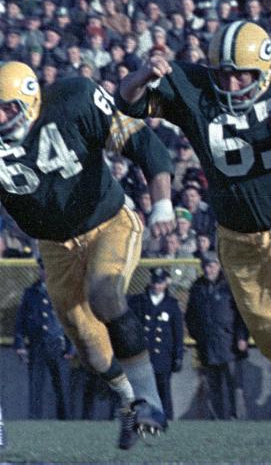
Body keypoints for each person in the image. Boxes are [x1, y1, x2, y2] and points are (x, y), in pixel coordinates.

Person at [119, 21, 271, 462]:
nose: (231, 83)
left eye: (242, 74)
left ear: (266, 70)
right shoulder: (196, 88)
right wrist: (142, 74)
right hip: (243, 249)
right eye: (223, 73)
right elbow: (130, 102)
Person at [0, 62, 174, 448]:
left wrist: (162, 204)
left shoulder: (73, 99)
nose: (0, 116)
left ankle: (151, 400)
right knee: (92, 351)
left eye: (7, 107)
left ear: (29, 100)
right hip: (54, 247)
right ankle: (129, 402)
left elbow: (143, 144)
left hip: (108, 221)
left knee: (105, 293)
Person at [185, 255, 249, 420]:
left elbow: (242, 315)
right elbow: (190, 315)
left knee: (234, 385)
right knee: (213, 385)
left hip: (230, 344)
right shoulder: (197, 287)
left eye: (211, 265)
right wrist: (197, 335)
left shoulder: (230, 285)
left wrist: (242, 337)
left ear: (219, 266)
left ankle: (237, 417)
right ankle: (217, 418)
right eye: (205, 266)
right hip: (207, 344)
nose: (208, 269)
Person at [14, 260, 72, 419]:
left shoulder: (62, 291)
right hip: (37, 344)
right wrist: (20, 344)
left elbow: (70, 321)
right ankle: (34, 418)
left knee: (61, 385)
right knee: (36, 384)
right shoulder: (31, 293)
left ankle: (65, 419)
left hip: (57, 344)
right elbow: (21, 321)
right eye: (42, 269)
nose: (45, 272)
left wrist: (70, 347)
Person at [127, 268, 184, 421]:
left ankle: (166, 418)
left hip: (163, 355)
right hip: (144, 354)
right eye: (154, 282)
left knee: (163, 389)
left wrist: (178, 355)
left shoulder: (171, 304)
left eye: (160, 283)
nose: (156, 286)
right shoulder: (139, 301)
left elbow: (177, 333)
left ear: (165, 284)